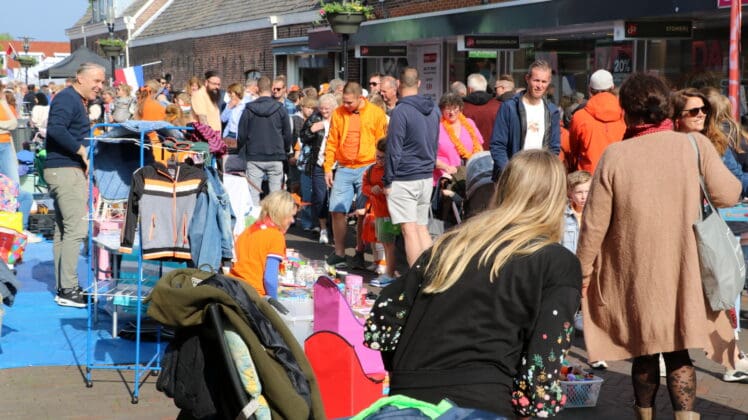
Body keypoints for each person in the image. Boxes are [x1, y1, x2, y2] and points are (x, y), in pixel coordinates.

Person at [576, 73, 741, 419]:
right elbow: (729, 194)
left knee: (645, 353)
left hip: (637, 273)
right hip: (685, 269)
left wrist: (583, 272)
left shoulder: (615, 155)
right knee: (679, 352)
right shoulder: (693, 146)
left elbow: (594, 225)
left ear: (627, 111)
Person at [390, 150, 581, 417]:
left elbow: (385, 320)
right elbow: (542, 367)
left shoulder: (452, 243)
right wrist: (533, 405)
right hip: (480, 401)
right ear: (557, 199)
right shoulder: (556, 262)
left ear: (502, 188)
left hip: (406, 398)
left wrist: (405, 372)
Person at [45, 62, 105, 308]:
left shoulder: (74, 99)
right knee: (76, 229)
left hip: (62, 170)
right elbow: (55, 129)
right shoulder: (67, 98)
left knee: (64, 230)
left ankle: (65, 285)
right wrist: (81, 150)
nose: (100, 86)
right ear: (80, 78)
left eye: (102, 82)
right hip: (65, 170)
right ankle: (68, 288)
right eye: (97, 81)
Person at [323, 82, 387, 269]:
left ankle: (360, 251)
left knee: (362, 213)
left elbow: (382, 144)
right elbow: (332, 141)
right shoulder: (338, 113)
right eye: (344, 101)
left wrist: (379, 170)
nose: (346, 105)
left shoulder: (376, 114)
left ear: (361, 98)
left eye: (349, 102)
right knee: (336, 209)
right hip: (344, 167)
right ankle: (339, 253)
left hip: (367, 166)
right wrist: (328, 168)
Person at [384, 67, 440, 267]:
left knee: (409, 230)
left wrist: (388, 180)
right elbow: (435, 142)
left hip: (404, 176)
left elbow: (394, 149)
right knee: (422, 227)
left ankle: (416, 278)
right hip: (425, 175)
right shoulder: (434, 108)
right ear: (419, 83)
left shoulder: (400, 111)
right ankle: (431, 273)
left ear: (398, 84)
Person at [490, 60, 561, 181]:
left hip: (539, 177)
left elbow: (554, 148)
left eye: (544, 82)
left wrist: (546, 173)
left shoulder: (552, 111)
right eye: (536, 80)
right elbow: (498, 145)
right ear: (527, 79)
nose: (539, 86)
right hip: (511, 176)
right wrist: (508, 173)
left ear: (549, 82)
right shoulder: (509, 107)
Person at [230, 190, 299, 299]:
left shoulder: (249, 230)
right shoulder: (275, 236)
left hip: (233, 286)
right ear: (282, 214)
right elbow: (270, 279)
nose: (292, 220)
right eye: (291, 216)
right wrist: (274, 303)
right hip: (253, 295)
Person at [238, 76, 292, 206]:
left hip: (254, 156)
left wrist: (243, 151)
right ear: (271, 88)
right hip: (276, 155)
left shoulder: (248, 109)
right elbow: (287, 134)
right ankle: (274, 219)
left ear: (257, 89)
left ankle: (254, 218)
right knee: (275, 197)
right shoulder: (280, 109)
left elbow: (242, 134)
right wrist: (284, 150)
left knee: (253, 195)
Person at [568, 69, 626, 174]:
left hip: (588, 176)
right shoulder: (625, 115)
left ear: (590, 90)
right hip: (617, 174)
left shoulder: (579, 116)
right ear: (612, 87)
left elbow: (573, 151)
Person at [300, 93, 336, 245]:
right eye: (321, 108)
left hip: (337, 165)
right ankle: (323, 229)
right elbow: (303, 136)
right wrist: (312, 129)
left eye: (327, 109)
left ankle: (335, 229)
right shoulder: (315, 118)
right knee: (320, 197)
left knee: (334, 199)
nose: (324, 111)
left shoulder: (340, 119)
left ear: (334, 108)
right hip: (318, 163)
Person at [362, 139, 398, 286]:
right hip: (379, 213)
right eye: (377, 156)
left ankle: (389, 273)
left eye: (383, 158)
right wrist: (372, 189)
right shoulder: (371, 169)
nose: (380, 160)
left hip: (390, 213)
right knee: (384, 243)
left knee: (389, 244)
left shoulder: (393, 170)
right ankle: (389, 271)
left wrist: (385, 191)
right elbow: (364, 187)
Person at [461, 73, 499, 145]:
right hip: (494, 149)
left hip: (467, 149)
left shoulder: (460, 107)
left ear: (469, 89)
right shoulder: (498, 106)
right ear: (485, 87)